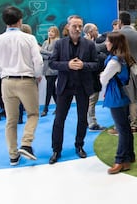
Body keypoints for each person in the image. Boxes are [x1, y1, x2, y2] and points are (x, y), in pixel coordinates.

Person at [0, 6, 43, 166]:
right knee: (33, 114)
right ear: (20, 20)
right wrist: (37, 75)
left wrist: (4, 72)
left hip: (6, 81)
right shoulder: (29, 38)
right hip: (26, 80)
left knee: (11, 120)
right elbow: (38, 61)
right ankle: (26, 144)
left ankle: (13, 155)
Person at [48, 15, 99, 164]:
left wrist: (84, 65)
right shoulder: (59, 44)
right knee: (59, 120)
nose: (77, 29)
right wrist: (67, 65)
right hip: (65, 87)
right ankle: (56, 150)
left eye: (79, 26)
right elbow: (52, 63)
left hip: (83, 87)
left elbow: (96, 64)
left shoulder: (89, 45)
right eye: (74, 26)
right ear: (68, 27)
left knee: (82, 119)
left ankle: (79, 145)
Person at [100, 31, 136, 174]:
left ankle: (120, 160)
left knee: (122, 129)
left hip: (116, 97)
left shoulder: (114, 61)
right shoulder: (124, 58)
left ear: (114, 43)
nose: (106, 43)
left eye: (108, 41)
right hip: (123, 96)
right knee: (125, 128)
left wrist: (102, 75)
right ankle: (128, 158)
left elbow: (103, 79)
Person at [118, 11, 137, 134]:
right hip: (136, 70)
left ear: (120, 21)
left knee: (121, 97)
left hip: (120, 70)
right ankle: (134, 125)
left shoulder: (117, 34)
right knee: (134, 99)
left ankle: (122, 124)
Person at [83, 23, 106, 132]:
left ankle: (89, 121)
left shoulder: (92, 43)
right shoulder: (86, 44)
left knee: (90, 101)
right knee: (91, 101)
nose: (98, 32)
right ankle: (92, 123)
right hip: (89, 78)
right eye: (95, 30)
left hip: (92, 78)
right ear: (90, 32)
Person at [40, 26, 60, 117]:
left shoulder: (57, 42)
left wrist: (43, 51)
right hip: (46, 68)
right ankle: (59, 107)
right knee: (52, 90)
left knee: (49, 89)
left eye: (52, 31)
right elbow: (42, 55)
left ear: (56, 33)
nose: (50, 33)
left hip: (53, 69)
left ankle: (45, 108)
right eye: (49, 31)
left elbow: (54, 55)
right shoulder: (45, 42)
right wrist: (46, 55)